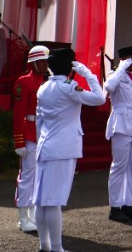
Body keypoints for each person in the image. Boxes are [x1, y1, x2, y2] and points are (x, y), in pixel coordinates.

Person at [34, 47, 107, 252]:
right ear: (70, 67)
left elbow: (39, 121)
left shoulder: (43, 88)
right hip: (63, 149)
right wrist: (88, 74)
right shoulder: (69, 86)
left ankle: (45, 245)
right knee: (53, 200)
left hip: (45, 146)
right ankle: (56, 248)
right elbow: (99, 98)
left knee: (42, 200)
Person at [105, 45, 132, 222]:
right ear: (123, 60)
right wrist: (121, 67)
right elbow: (108, 87)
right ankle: (114, 207)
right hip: (121, 126)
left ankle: (127, 204)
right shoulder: (114, 76)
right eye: (131, 59)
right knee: (119, 167)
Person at [12, 44, 49, 234]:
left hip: (42, 132)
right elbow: (18, 114)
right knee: (27, 176)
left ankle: (34, 213)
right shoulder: (23, 82)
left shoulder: (47, 82)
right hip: (28, 132)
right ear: (33, 63)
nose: (45, 65)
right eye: (41, 62)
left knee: (39, 176)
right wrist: (19, 141)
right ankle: (22, 217)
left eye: (46, 62)